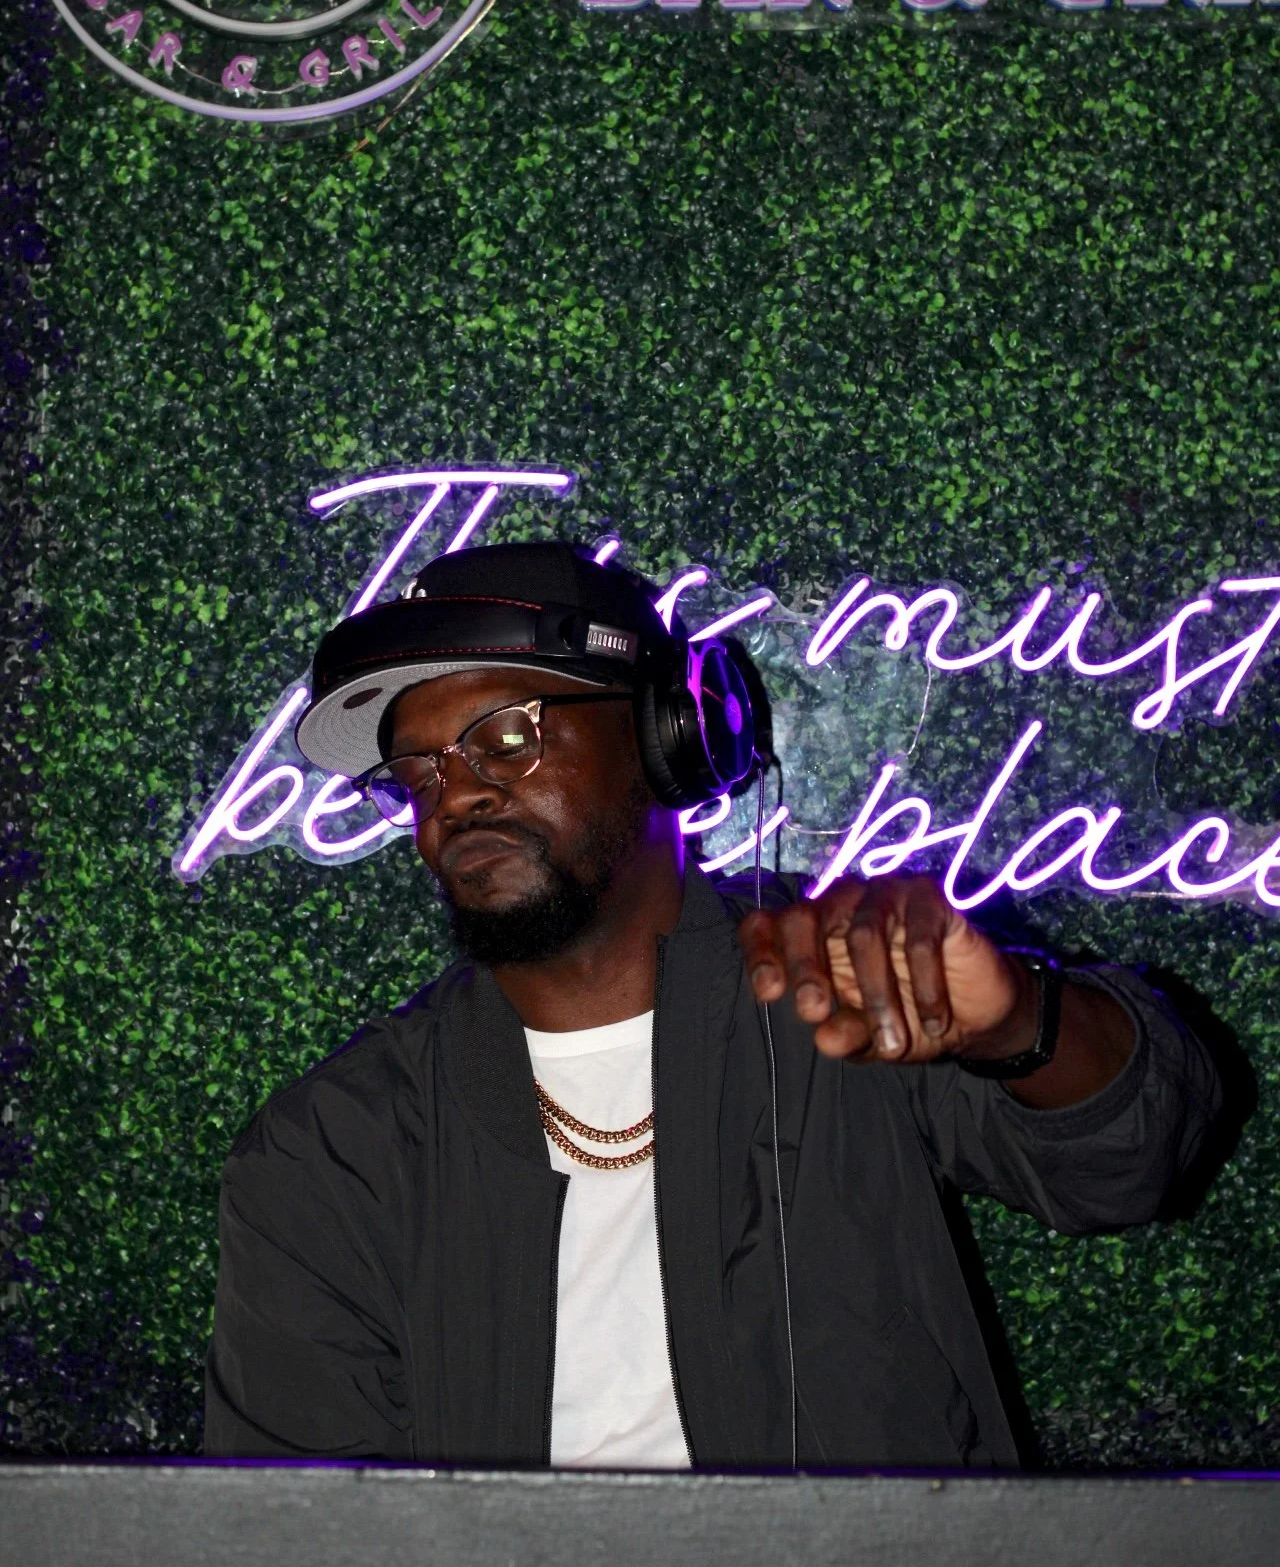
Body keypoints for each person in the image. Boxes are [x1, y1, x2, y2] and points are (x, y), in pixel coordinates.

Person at [205, 541, 1222, 1466]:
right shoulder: (329, 1151)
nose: (453, 795)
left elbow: (1132, 1163)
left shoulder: (833, 988)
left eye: (506, 736)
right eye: (415, 772)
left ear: (667, 736)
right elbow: (296, 1516)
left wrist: (1015, 1024)